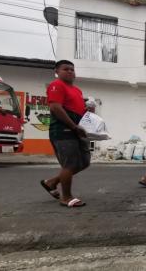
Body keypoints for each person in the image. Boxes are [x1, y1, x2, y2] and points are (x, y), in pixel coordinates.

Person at [40, 60, 90, 208]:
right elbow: (56, 108)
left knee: (84, 162)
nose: (70, 71)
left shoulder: (77, 90)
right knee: (69, 164)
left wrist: (88, 112)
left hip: (76, 130)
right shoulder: (56, 85)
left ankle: (52, 182)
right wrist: (74, 126)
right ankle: (66, 197)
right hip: (63, 130)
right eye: (65, 69)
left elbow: (78, 110)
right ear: (57, 71)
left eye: (72, 69)